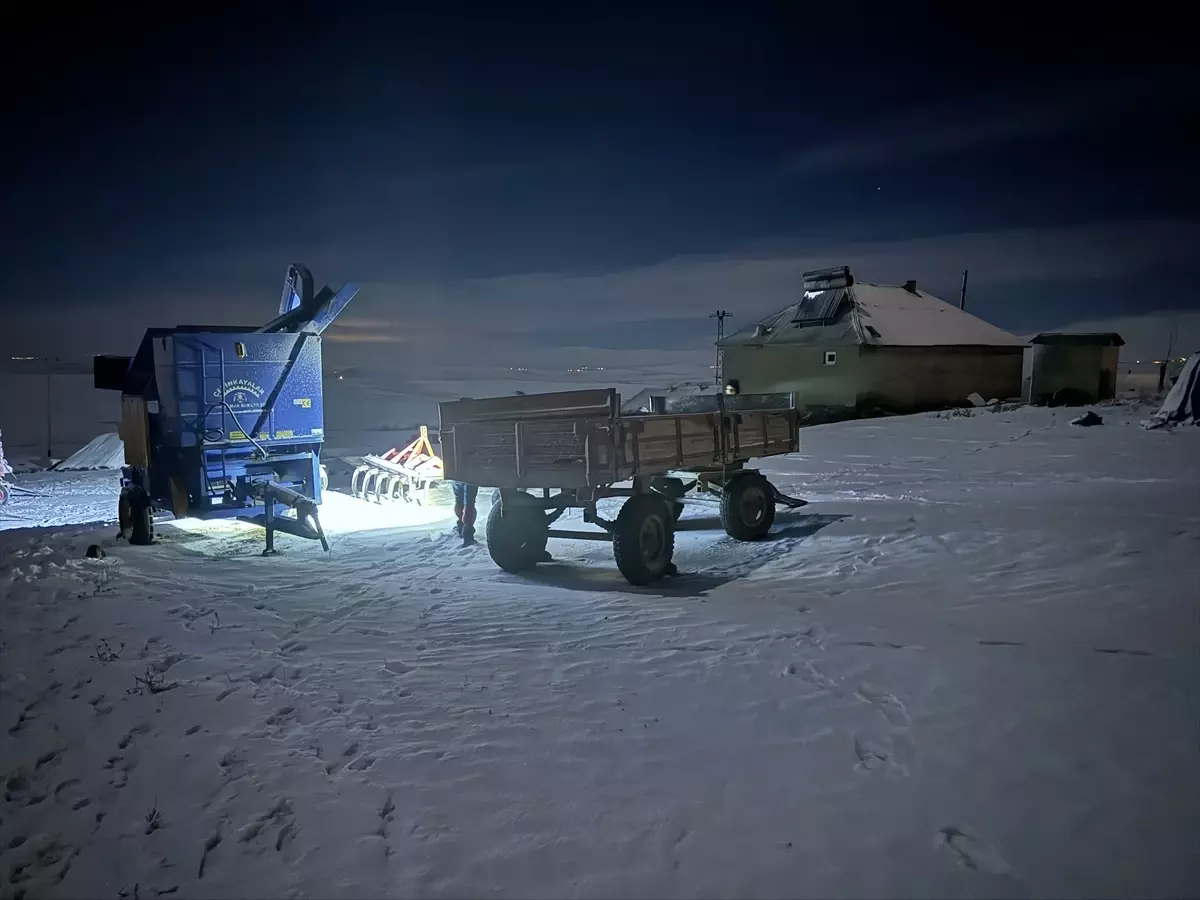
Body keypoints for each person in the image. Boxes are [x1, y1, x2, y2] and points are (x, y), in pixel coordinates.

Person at [450, 480, 479, 546]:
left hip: (456, 472)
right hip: (471, 474)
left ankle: (461, 527)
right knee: (469, 503)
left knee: (459, 500)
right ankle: (468, 533)